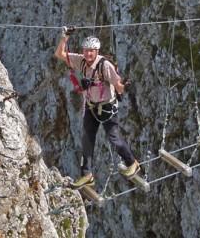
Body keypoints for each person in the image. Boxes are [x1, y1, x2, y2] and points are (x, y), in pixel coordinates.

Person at [55, 26, 139, 189]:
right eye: (86, 50)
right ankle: (86, 174)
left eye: (91, 51)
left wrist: (125, 87)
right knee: (87, 140)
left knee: (114, 139)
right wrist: (64, 38)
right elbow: (60, 54)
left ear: (97, 51)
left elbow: (118, 86)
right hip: (91, 106)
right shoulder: (81, 61)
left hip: (107, 108)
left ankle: (132, 162)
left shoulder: (105, 65)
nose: (88, 54)